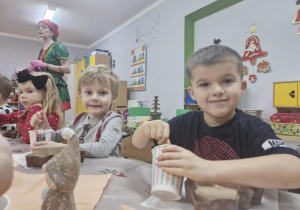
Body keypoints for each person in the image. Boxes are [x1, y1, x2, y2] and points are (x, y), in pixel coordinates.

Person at [132, 45, 300, 189]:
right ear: (193, 94)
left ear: (242, 87)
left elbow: (295, 169)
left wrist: (206, 169)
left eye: (227, 81)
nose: (217, 90)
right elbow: (139, 143)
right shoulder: (185, 123)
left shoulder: (253, 128)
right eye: (204, 84)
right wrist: (147, 129)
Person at [30, 65, 123, 158]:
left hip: (107, 170)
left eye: (102, 93)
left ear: (114, 97)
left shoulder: (113, 119)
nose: (94, 98)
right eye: (89, 92)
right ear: (81, 95)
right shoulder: (79, 119)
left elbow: (103, 149)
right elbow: (56, 137)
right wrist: (45, 128)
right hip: (83, 169)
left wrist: (63, 148)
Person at [0, 69, 63, 144]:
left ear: (46, 93)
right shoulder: (23, 114)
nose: (22, 96)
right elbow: (5, 118)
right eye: (21, 92)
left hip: (42, 154)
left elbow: (28, 139)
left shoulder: (51, 115)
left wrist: (35, 108)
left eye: (29, 91)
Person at [28, 19, 71, 112]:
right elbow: (42, 69)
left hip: (56, 84)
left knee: (57, 115)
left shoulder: (58, 46)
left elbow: (67, 69)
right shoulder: (41, 50)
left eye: (44, 27)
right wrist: (33, 69)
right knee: (45, 113)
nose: (40, 29)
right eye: (39, 28)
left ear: (52, 32)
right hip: (45, 83)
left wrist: (45, 65)